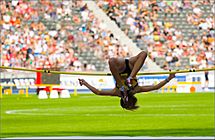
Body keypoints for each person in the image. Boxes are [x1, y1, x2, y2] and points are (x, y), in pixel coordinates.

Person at [78, 51, 176, 110]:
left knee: (111, 61)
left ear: (123, 100)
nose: (129, 101)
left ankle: (125, 81)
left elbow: (98, 92)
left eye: (127, 103)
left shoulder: (117, 92)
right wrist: (169, 78)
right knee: (143, 54)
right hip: (131, 67)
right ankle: (131, 77)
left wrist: (85, 83)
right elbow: (155, 87)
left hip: (121, 68)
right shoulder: (136, 90)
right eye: (130, 102)